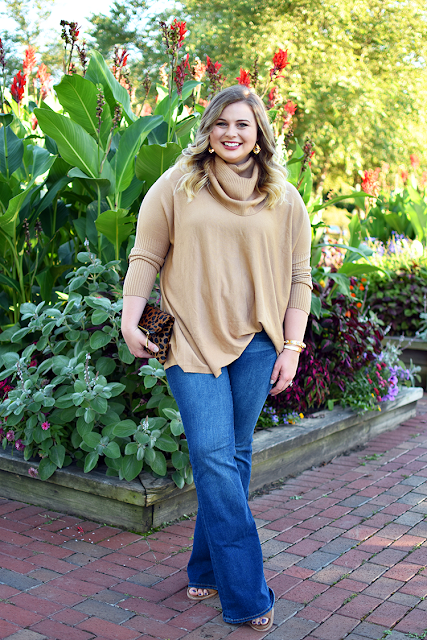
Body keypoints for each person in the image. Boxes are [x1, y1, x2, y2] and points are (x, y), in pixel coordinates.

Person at [121, 84, 312, 632]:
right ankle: (248, 592)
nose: (232, 133)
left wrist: (292, 348)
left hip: (257, 344)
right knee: (212, 456)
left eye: (243, 125)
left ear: (259, 135)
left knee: (235, 456)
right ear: (209, 128)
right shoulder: (179, 184)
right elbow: (146, 254)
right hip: (190, 341)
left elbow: (301, 278)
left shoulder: (284, 196)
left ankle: (203, 566)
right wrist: (130, 318)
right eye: (223, 123)